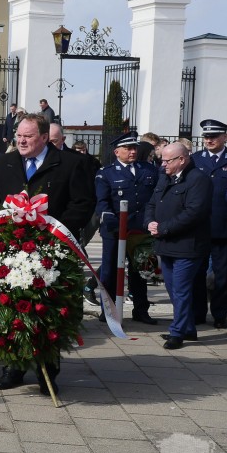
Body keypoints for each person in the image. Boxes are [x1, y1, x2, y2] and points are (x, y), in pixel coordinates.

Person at [0, 113, 96, 394]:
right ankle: (13, 367)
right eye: (19, 136)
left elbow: (83, 204)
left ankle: (47, 371)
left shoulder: (71, 163)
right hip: (12, 249)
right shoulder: (5, 163)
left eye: (28, 136)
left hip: (52, 249)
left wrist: (52, 230)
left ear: (45, 137)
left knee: (47, 311)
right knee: (12, 309)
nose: (21, 141)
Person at [146, 142, 211, 349]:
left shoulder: (198, 179)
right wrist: (150, 222)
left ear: (181, 159)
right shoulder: (165, 177)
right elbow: (152, 203)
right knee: (173, 289)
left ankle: (177, 332)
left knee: (181, 289)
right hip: (166, 244)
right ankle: (188, 327)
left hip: (188, 245)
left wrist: (163, 228)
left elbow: (194, 213)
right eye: (162, 160)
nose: (163, 164)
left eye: (167, 160)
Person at [94, 133, 159, 326]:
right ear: (117, 152)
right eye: (128, 148)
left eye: (134, 148)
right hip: (114, 230)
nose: (132, 152)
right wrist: (111, 220)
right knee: (110, 271)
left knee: (141, 271)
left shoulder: (148, 169)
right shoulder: (106, 173)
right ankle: (109, 310)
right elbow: (102, 202)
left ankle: (141, 310)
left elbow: (155, 197)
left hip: (140, 230)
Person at [192, 119, 227, 330]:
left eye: (214, 136)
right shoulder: (194, 159)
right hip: (197, 227)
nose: (209, 140)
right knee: (196, 273)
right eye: (206, 136)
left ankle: (220, 314)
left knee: (222, 275)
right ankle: (198, 313)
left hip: (224, 226)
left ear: (225, 137)